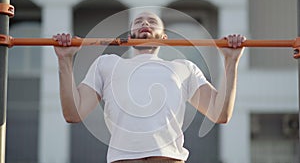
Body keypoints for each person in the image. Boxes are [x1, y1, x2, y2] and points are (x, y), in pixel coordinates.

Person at [53, 11, 246, 163]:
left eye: (152, 21)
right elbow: (73, 113)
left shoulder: (184, 67)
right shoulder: (107, 64)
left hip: (170, 159)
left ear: (163, 36)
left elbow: (219, 114)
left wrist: (231, 62)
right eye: (139, 22)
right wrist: (65, 59)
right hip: (123, 160)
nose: (145, 23)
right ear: (130, 35)